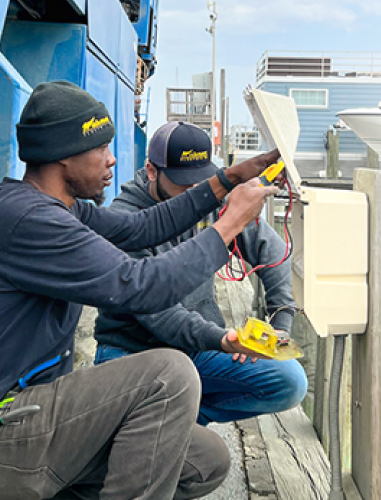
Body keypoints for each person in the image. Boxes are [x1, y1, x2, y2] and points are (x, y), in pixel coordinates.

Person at [0, 81, 282, 499]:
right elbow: (139, 287)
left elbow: (141, 227)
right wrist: (229, 225)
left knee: (205, 460)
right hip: (14, 422)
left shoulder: (59, 208)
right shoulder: (31, 221)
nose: (112, 159)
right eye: (100, 149)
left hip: (39, 412)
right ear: (62, 156)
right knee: (169, 374)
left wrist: (227, 179)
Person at [93, 121, 307, 425]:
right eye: (183, 183)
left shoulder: (213, 198)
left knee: (290, 382)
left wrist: (280, 323)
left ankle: (185, 421)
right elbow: (160, 314)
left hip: (197, 346)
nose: (196, 192)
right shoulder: (123, 220)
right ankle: (159, 421)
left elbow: (272, 252)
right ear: (152, 171)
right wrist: (224, 339)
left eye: (201, 180)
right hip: (133, 350)